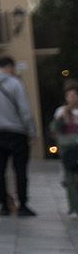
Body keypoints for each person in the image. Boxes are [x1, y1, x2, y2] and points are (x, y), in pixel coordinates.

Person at [0, 55, 39, 217]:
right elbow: (24, 110)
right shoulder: (15, 84)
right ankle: (23, 205)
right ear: (10, 67)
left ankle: (4, 205)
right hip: (17, 132)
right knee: (20, 170)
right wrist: (32, 131)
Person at [49, 81, 78, 216]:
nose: (71, 98)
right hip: (67, 148)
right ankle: (73, 207)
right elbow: (54, 129)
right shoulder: (61, 111)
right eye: (68, 95)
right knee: (70, 179)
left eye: (74, 94)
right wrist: (62, 118)